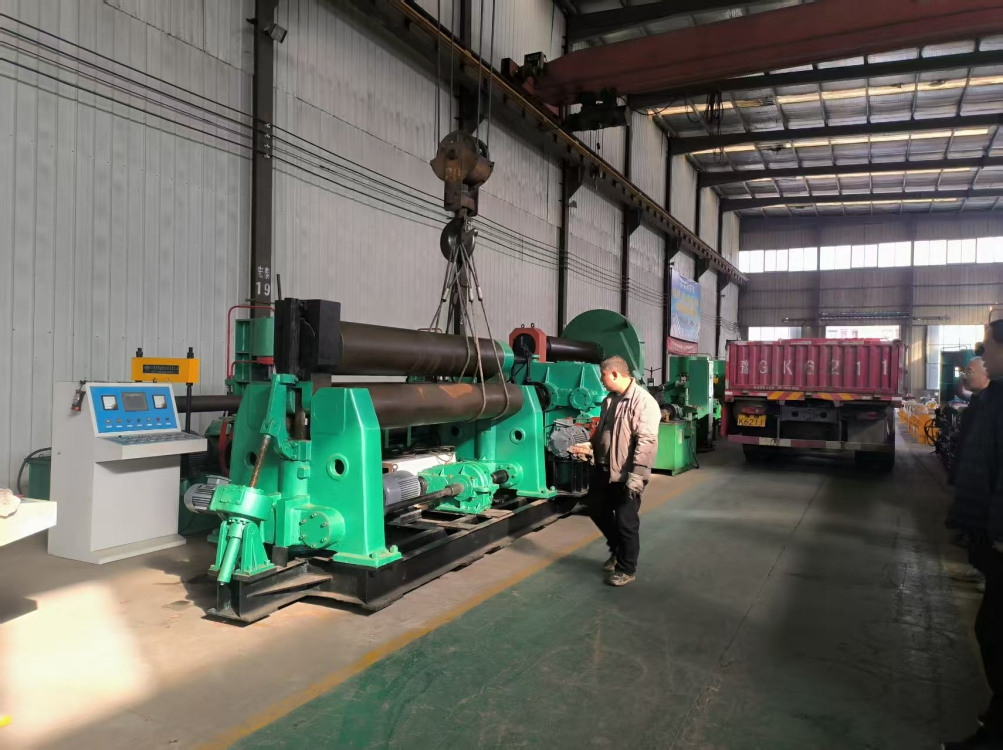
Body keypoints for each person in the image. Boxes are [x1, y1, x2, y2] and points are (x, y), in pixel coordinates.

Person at [944, 324, 1003, 750]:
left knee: (996, 632)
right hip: (987, 531)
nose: (982, 357)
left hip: (998, 535)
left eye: (989, 349)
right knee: (991, 629)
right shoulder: (993, 397)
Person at [568, 355, 660, 587]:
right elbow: (603, 433)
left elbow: (647, 442)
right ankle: (618, 550)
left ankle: (626, 569)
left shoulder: (643, 402)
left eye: (603, 375)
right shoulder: (609, 400)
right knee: (596, 508)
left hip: (627, 474)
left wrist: (637, 475)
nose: (601, 380)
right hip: (604, 469)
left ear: (615, 374)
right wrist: (590, 446)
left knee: (625, 522)